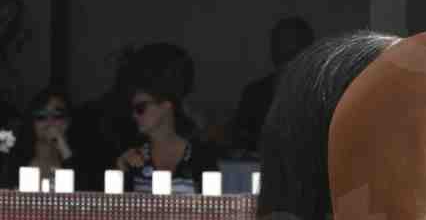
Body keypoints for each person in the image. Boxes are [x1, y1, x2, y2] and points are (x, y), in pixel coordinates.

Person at [116, 51, 220, 195]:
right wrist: (120, 172)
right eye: (133, 109)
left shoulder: (200, 157)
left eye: (141, 108)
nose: (134, 115)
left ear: (166, 106)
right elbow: (118, 213)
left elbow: (214, 211)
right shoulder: (134, 157)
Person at [231, 17, 315, 155]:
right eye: (282, 42)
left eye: (295, 42)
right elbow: (240, 142)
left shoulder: (324, 94)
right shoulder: (254, 94)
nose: (288, 49)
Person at [12, 87, 76, 185]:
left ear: (67, 122)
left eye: (57, 115)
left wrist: (63, 146)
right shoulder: (17, 158)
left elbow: (83, 190)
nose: (49, 122)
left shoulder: (75, 157)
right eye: (41, 116)